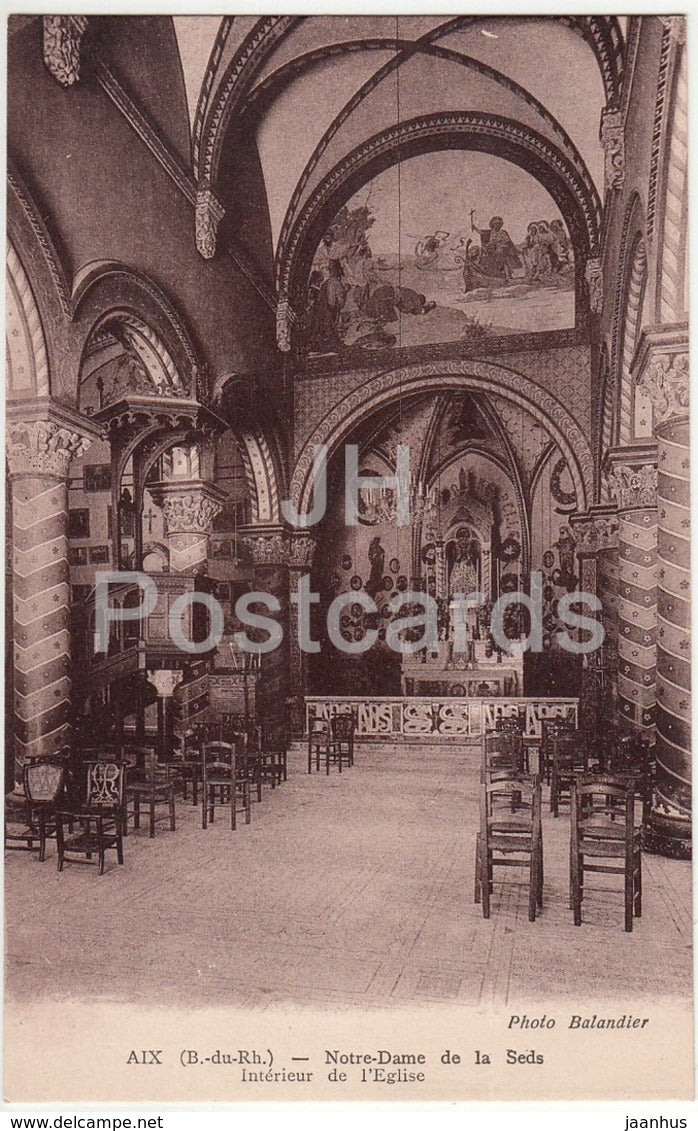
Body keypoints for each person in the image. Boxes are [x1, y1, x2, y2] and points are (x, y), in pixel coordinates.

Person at [470, 214, 522, 281]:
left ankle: (507, 275)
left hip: (503, 249)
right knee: (486, 255)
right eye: (495, 224)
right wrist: (475, 228)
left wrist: (500, 245)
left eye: (498, 224)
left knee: (500, 254)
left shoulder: (503, 232)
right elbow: (484, 235)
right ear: (493, 225)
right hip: (494, 249)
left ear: (500, 225)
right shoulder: (492, 233)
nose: (496, 225)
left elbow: (507, 242)